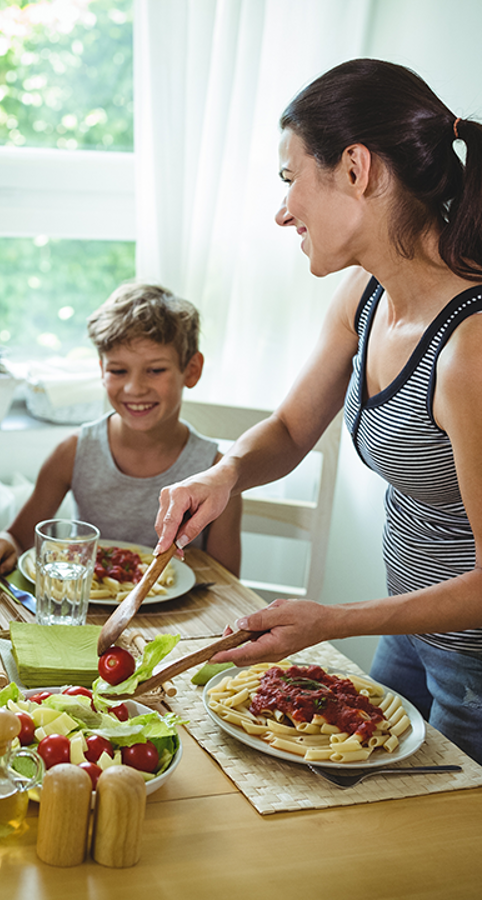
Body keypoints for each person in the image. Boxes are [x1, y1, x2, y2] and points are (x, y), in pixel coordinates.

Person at [153, 58, 482, 762]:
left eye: (289, 177)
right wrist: (228, 471)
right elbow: (293, 428)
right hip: (411, 635)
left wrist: (333, 621)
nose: (282, 209)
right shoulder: (366, 295)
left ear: (356, 169)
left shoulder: (471, 349)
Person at [0, 282, 242, 578]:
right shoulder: (74, 451)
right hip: (89, 615)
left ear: (191, 370)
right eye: (118, 371)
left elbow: (225, 582)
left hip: (182, 620)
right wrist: (2, 544)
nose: (134, 388)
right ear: (102, 370)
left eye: (155, 370)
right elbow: (19, 539)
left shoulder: (216, 473)